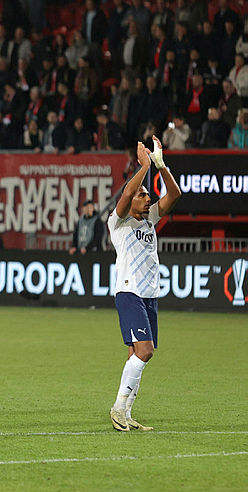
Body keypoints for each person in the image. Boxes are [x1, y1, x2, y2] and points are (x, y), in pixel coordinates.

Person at [108, 137, 181, 432]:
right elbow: (126, 194)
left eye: (148, 194)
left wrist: (161, 166)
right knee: (145, 351)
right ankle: (117, 407)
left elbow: (175, 194)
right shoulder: (118, 222)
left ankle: (126, 412)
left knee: (137, 354)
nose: (147, 198)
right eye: (142, 195)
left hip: (150, 294)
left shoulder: (149, 217)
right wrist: (144, 166)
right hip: (129, 291)